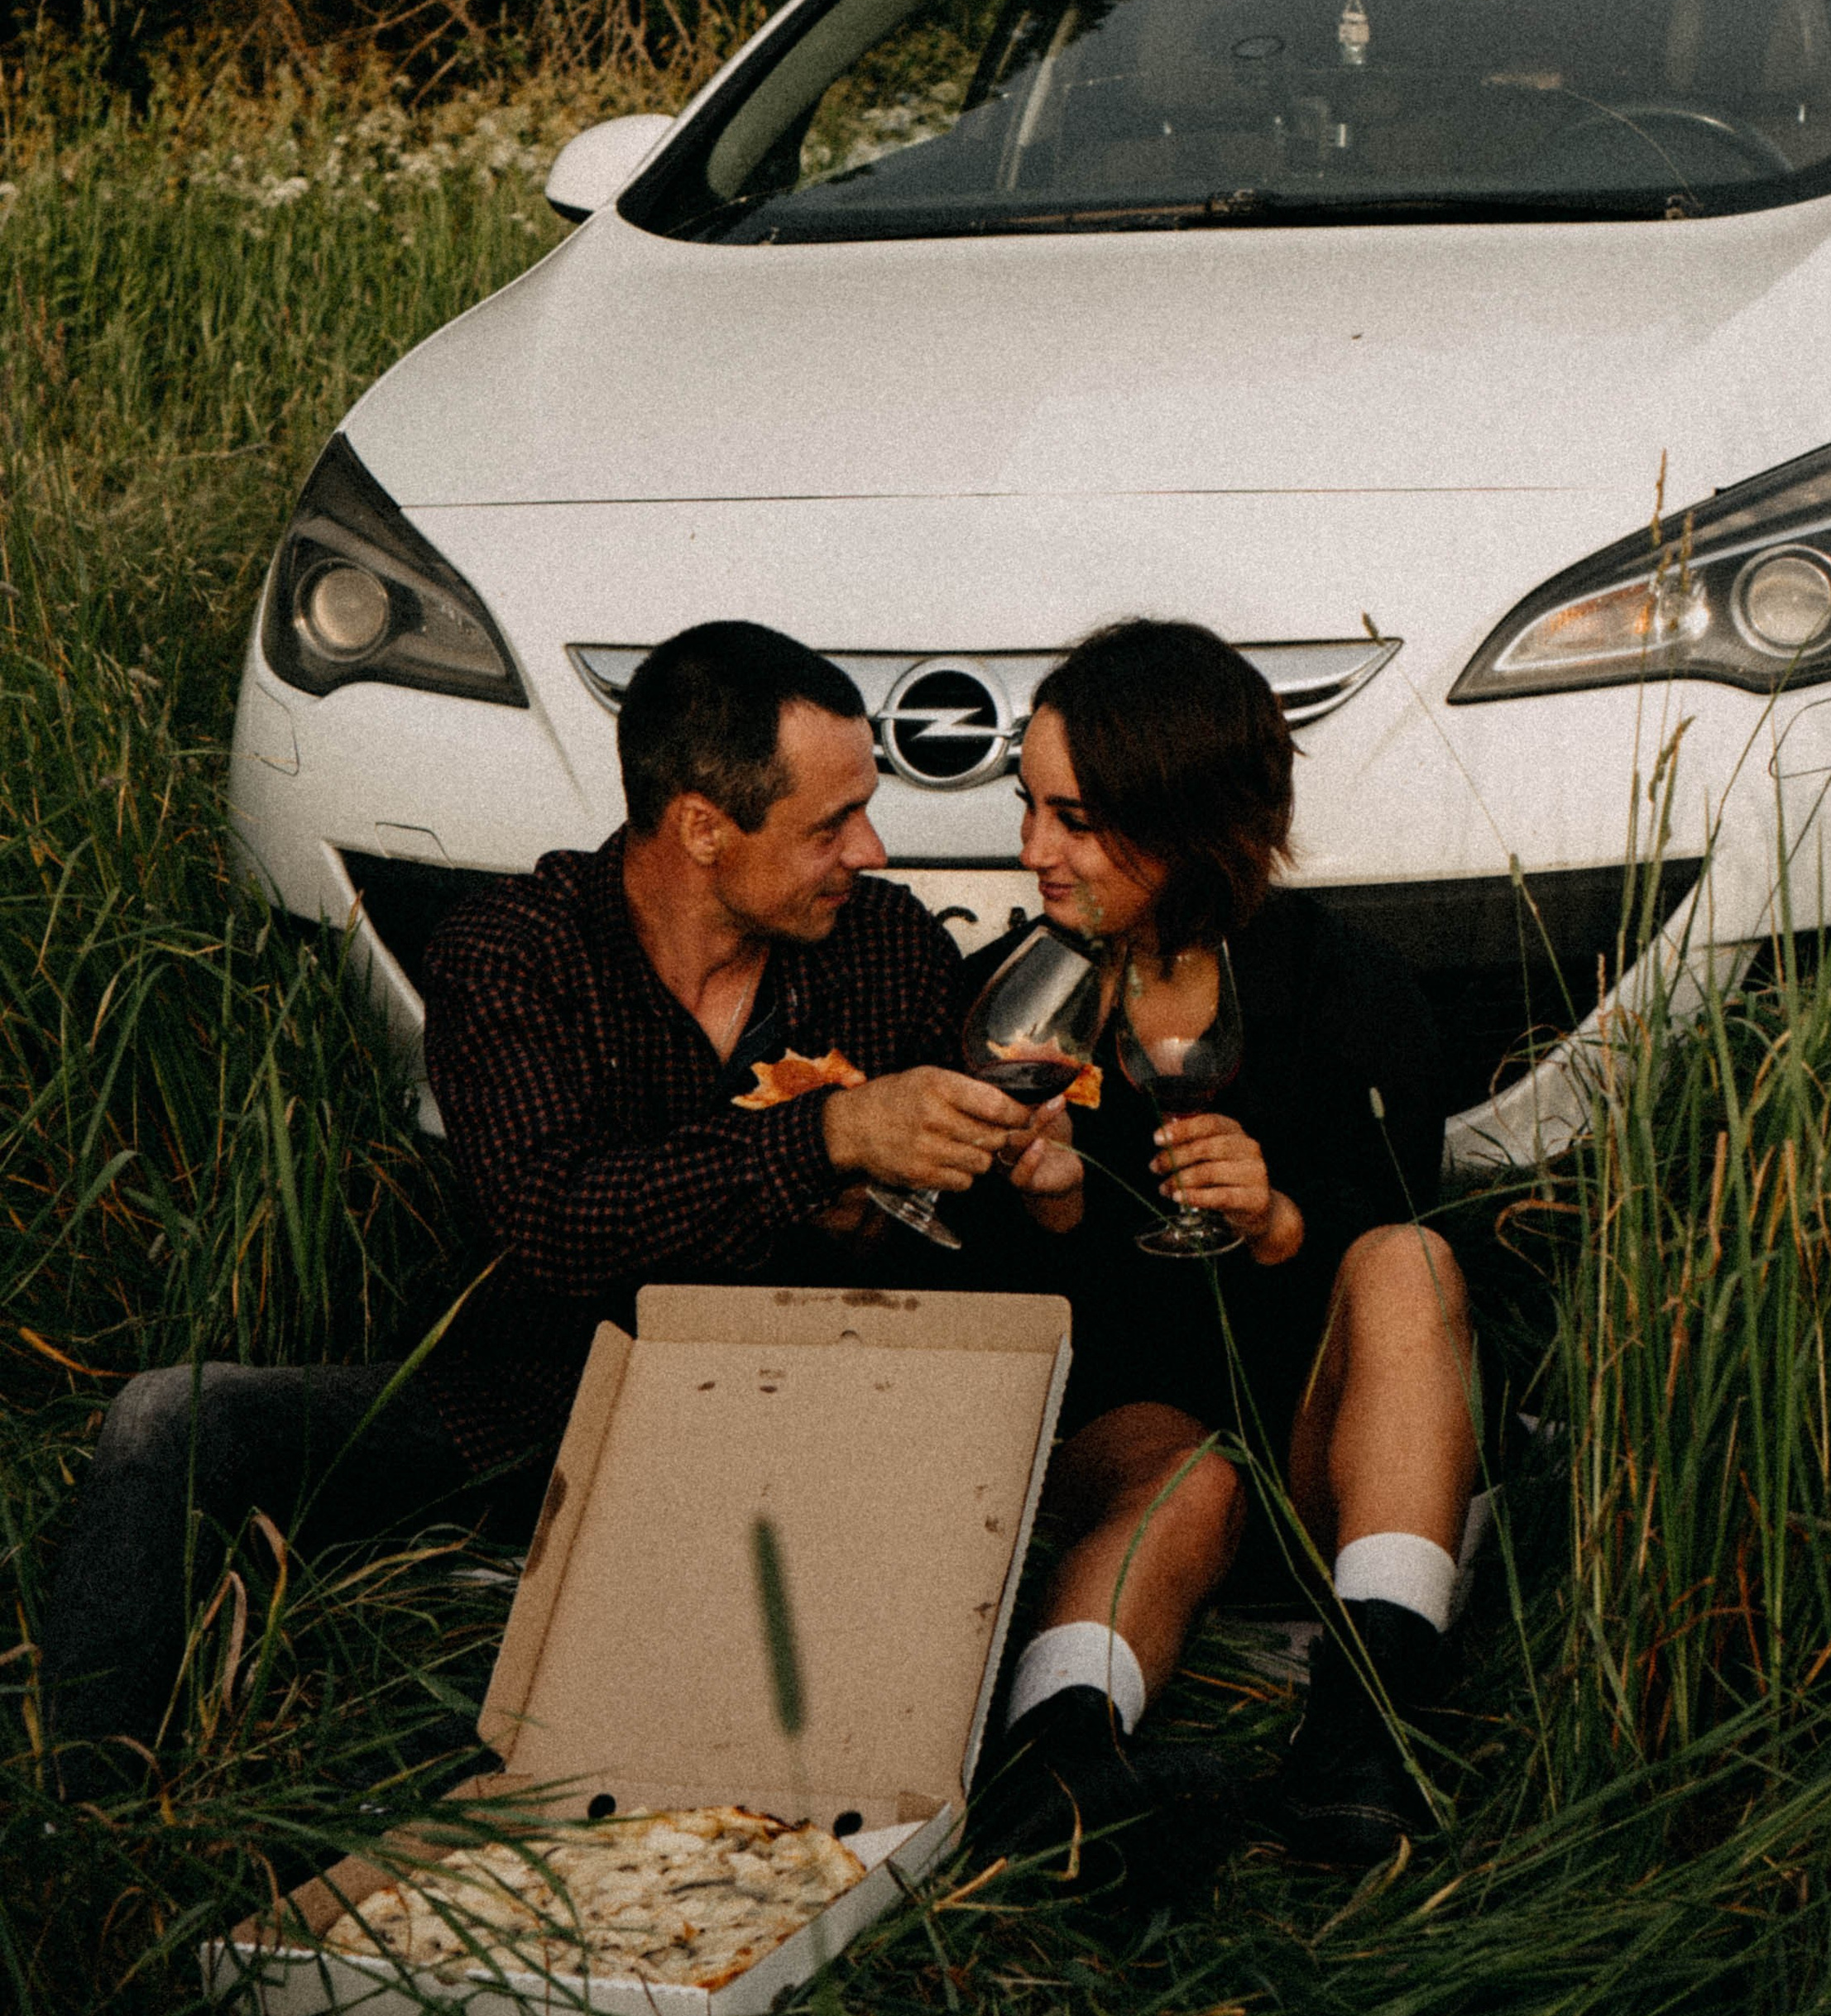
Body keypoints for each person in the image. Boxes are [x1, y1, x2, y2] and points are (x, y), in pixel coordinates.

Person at [40, 619, 1069, 1787]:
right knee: (173, 1420)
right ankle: (88, 1819)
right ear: (699, 827)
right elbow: (556, 1218)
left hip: (792, 1418)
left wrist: (1015, 1173)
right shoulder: (516, 950)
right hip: (537, 1401)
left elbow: (946, 1236)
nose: (874, 853)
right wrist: (825, 1136)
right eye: (832, 825)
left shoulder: (881, 947)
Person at [974, 617, 1479, 1876]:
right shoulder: (1015, 996)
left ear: (1186, 818)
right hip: (1142, 1433)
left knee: (1410, 1262)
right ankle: (1060, 1773)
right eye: (1029, 806)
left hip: (1334, 1455)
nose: (1033, 850)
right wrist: (1047, 1206)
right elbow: (1005, 1319)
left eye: (1074, 818)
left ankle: (1368, 1729)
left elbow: (1394, 1232)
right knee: (1191, 1474)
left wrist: (1284, 1220)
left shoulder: (1350, 991)